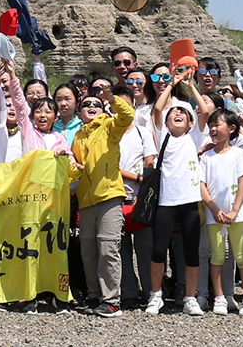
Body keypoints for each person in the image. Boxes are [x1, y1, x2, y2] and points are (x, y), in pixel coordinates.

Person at [143, 64, 213, 316]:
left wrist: (191, 86)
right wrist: (172, 84)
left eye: (183, 113)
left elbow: (205, 111)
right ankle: (156, 295)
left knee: (191, 251)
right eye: (174, 112)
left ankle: (190, 298)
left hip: (190, 201)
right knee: (158, 250)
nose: (178, 114)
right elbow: (158, 108)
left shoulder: (195, 137)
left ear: (191, 123)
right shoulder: (163, 135)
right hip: (165, 201)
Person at [66, 80, 135, 317]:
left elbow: (128, 115)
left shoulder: (110, 126)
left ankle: (111, 300)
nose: (92, 106)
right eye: (86, 104)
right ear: (79, 112)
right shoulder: (78, 136)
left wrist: (112, 98)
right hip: (86, 200)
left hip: (109, 196)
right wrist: (74, 167)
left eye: (96, 104)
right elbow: (76, 168)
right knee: (89, 252)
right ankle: (94, 296)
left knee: (108, 248)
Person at [198, 109, 243, 316]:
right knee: (217, 256)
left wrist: (235, 210)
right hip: (214, 215)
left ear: (231, 129)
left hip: (236, 215)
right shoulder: (206, 156)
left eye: (217, 125)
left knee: (241, 257)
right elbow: (202, 185)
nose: (213, 129)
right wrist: (214, 208)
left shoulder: (238, 153)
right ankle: (219, 298)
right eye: (211, 125)